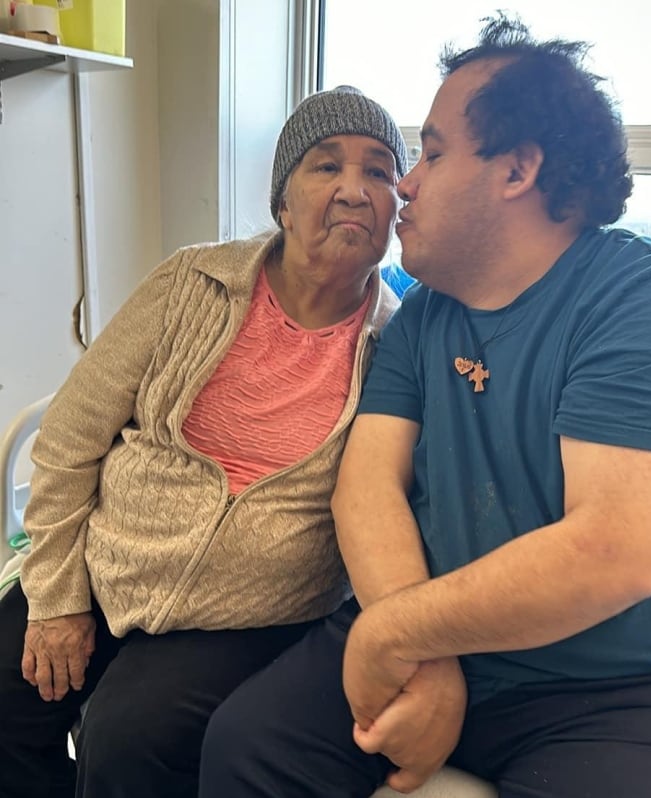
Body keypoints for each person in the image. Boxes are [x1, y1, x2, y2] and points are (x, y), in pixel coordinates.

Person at [198, 13, 651, 798]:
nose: (405, 182)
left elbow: (614, 552)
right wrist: (424, 659)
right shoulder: (426, 313)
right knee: (245, 748)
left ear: (517, 170)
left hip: (627, 688)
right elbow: (367, 486)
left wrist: (393, 632)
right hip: (445, 642)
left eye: (431, 152)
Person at [0, 84, 406, 798]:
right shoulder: (192, 280)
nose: (354, 189)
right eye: (326, 165)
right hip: (110, 563)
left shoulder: (399, 345)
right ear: (282, 199)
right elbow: (69, 438)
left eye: (378, 170)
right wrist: (58, 597)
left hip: (247, 614)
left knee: (127, 740)